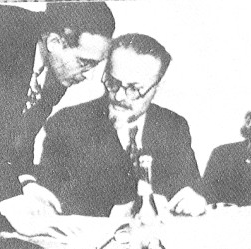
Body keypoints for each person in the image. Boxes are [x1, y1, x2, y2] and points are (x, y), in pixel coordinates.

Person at [0, 3, 116, 235]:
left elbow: (20, 133)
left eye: (96, 65)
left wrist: (27, 182)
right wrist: (14, 204)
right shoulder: (3, 39)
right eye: (84, 63)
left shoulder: (57, 66)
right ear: (54, 42)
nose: (89, 76)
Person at [39, 33, 206, 217]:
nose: (119, 96)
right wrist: (118, 211)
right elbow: (52, 202)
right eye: (113, 82)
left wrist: (193, 199)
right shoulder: (68, 124)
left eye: (134, 89)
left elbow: (189, 187)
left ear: (157, 86)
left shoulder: (173, 126)